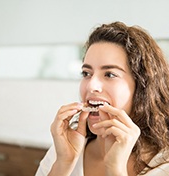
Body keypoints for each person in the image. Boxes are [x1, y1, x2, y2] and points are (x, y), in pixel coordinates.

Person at [35, 21, 169, 176]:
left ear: (142, 87)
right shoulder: (62, 151)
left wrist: (115, 169)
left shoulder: (164, 166)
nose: (91, 85)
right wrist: (63, 163)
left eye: (109, 74)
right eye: (86, 73)